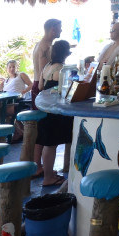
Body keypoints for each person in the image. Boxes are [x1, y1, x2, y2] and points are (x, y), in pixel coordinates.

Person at [36, 40, 75, 187]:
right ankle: (48, 177)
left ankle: (49, 173)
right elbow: (68, 90)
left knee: (47, 143)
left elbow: (40, 86)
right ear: (65, 53)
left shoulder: (47, 67)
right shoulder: (62, 69)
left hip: (44, 109)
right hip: (55, 111)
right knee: (51, 144)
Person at [31, 19, 62, 101]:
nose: (61, 30)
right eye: (60, 28)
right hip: (40, 87)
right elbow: (43, 72)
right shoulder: (46, 47)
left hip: (36, 84)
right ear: (53, 29)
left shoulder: (39, 44)